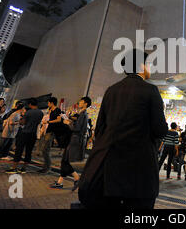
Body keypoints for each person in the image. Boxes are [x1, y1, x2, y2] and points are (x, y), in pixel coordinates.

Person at [78, 49, 168, 209]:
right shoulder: (151, 90)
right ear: (141, 65)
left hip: (110, 170)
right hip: (140, 170)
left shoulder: (111, 90)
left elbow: (100, 129)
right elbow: (160, 129)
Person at [50, 96, 91, 190]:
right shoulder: (81, 113)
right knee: (65, 160)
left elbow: (77, 128)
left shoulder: (84, 114)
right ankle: (62, 181)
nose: (79, 103)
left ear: (85, 104)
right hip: (73, 140)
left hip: (75, 140)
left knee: (65, 161)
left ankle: (77, 178)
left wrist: (67, 123)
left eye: (81, 101)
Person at [6, 98, 44, 174]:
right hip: (33, 134)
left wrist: (20, 120)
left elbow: (23, 123)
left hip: (24, 133)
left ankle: (14, 168)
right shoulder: (41, 113)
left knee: (19, 150)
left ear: (30, 104)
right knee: (28, 151)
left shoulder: (28, 112)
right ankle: (24, 168)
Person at [38, 97, 62, 173]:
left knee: (45, 149)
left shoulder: (57, 110)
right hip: (47, 131)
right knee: (44, 150)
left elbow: (59, 120)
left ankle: (47, 168)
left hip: (52, 132)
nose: (48, 104)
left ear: (52, 103)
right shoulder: (50, 110)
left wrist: (49, 122)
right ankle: (46, 167)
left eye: (48, 103)